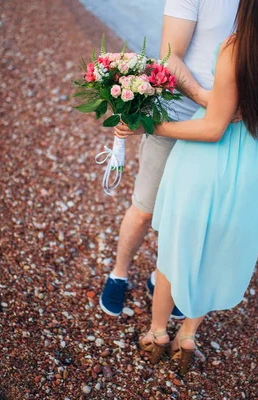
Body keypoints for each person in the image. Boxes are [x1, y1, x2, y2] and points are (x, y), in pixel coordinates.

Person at [115, 0, 258, 375]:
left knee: (176, 247)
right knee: (214, 249)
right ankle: (187, 337)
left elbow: (213, 128)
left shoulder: (238, 47)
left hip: (205, 161)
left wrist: (147, 126)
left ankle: (156, 334)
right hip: (256, 163)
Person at [99, 0, 239, 318]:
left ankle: (160, 279)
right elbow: (169, 56)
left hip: (224, 131)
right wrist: (210, 100)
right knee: (145, 208)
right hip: (175, 114)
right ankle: (119, 273)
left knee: (188, 217)